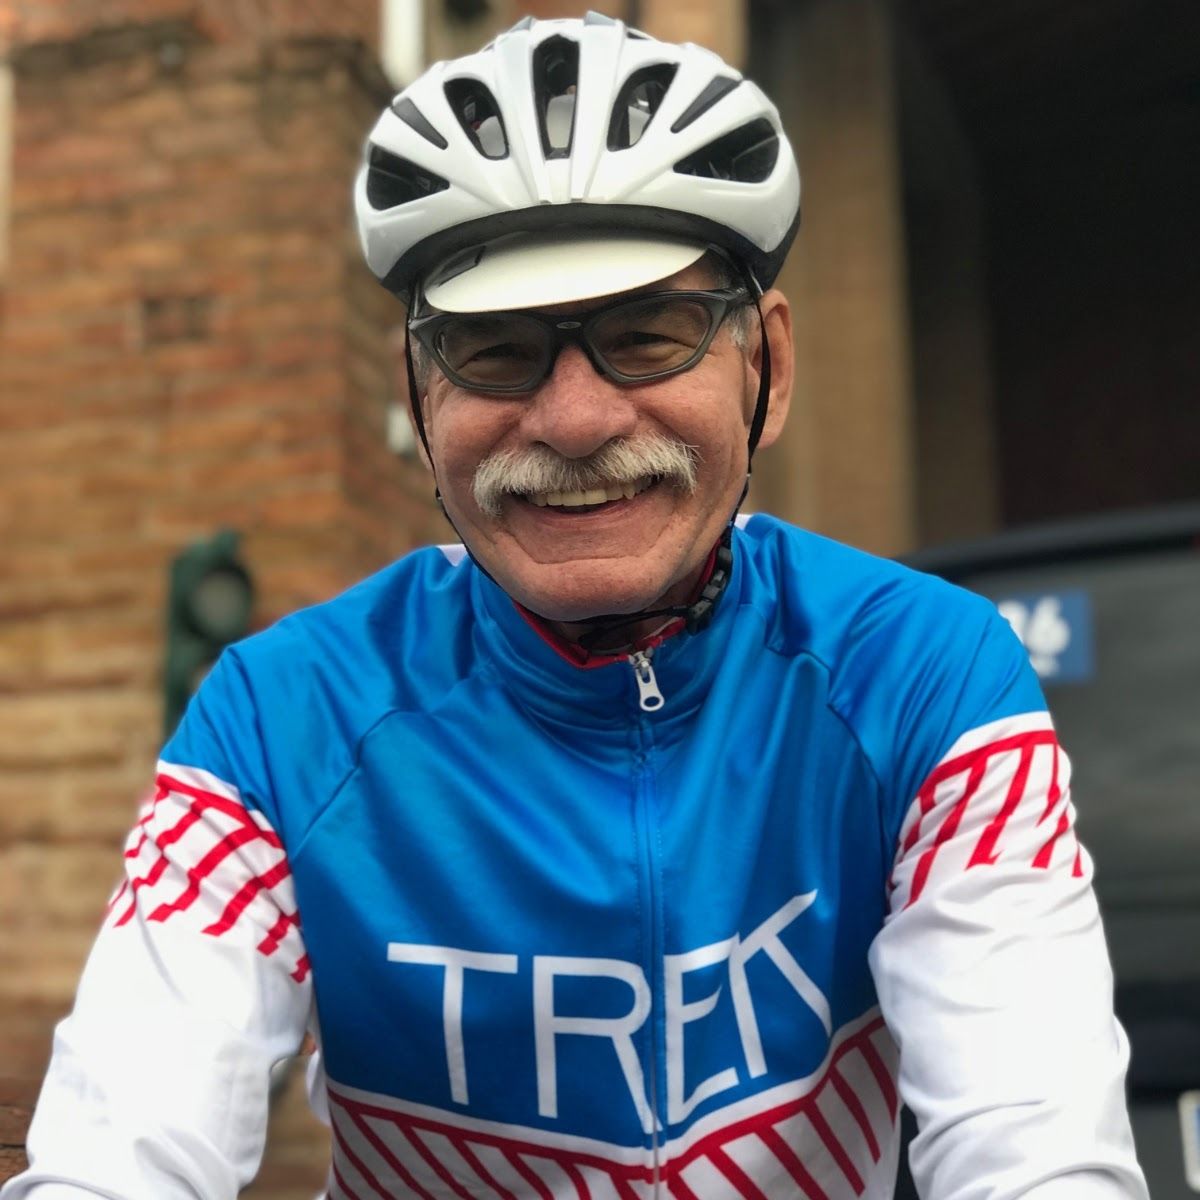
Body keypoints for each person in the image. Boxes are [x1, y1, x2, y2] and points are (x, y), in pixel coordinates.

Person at [5, 13, 1147, 1200]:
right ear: (418, 392)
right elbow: (116, 1155)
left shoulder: (922, 672)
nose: (576, 421)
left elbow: (1041, 1155)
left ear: (770, 365)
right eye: (495, 354)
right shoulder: (281, 724)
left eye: (646, 336)